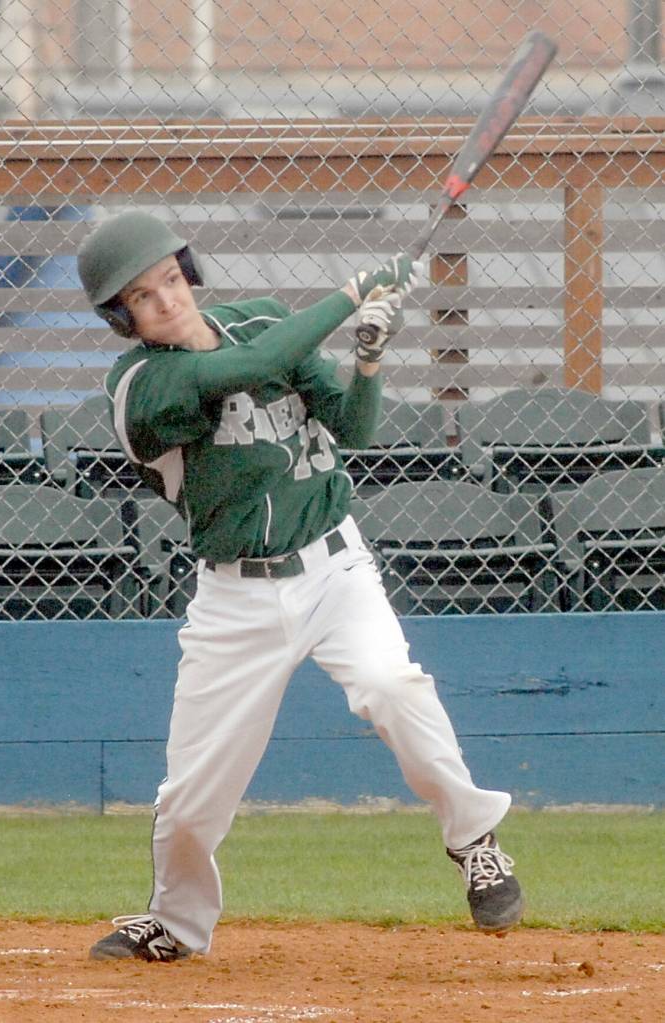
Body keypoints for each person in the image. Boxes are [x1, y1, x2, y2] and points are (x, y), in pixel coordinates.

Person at [77, 210, 524, 963]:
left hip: (333, 567)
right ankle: (178, 923)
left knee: (391, 683)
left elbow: (351, 429)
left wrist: (369, 361)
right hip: (235, 597)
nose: (168, 298)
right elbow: (239, 372)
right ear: (123, 318)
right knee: (190, 794)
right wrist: (351, 295)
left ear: (189, 271)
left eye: (171, 278)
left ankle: (474, 838)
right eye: (144, 296)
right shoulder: (140, 387)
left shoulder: (259, 318)